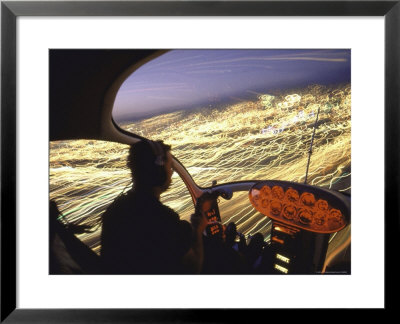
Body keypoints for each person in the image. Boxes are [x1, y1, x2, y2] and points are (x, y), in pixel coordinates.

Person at [100, 139, 207, 274]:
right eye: (170, 167)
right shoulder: (164, 220)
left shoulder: (113, 212)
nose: (171, 172)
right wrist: (198, 230)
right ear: (159, 173)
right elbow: (194, 268)